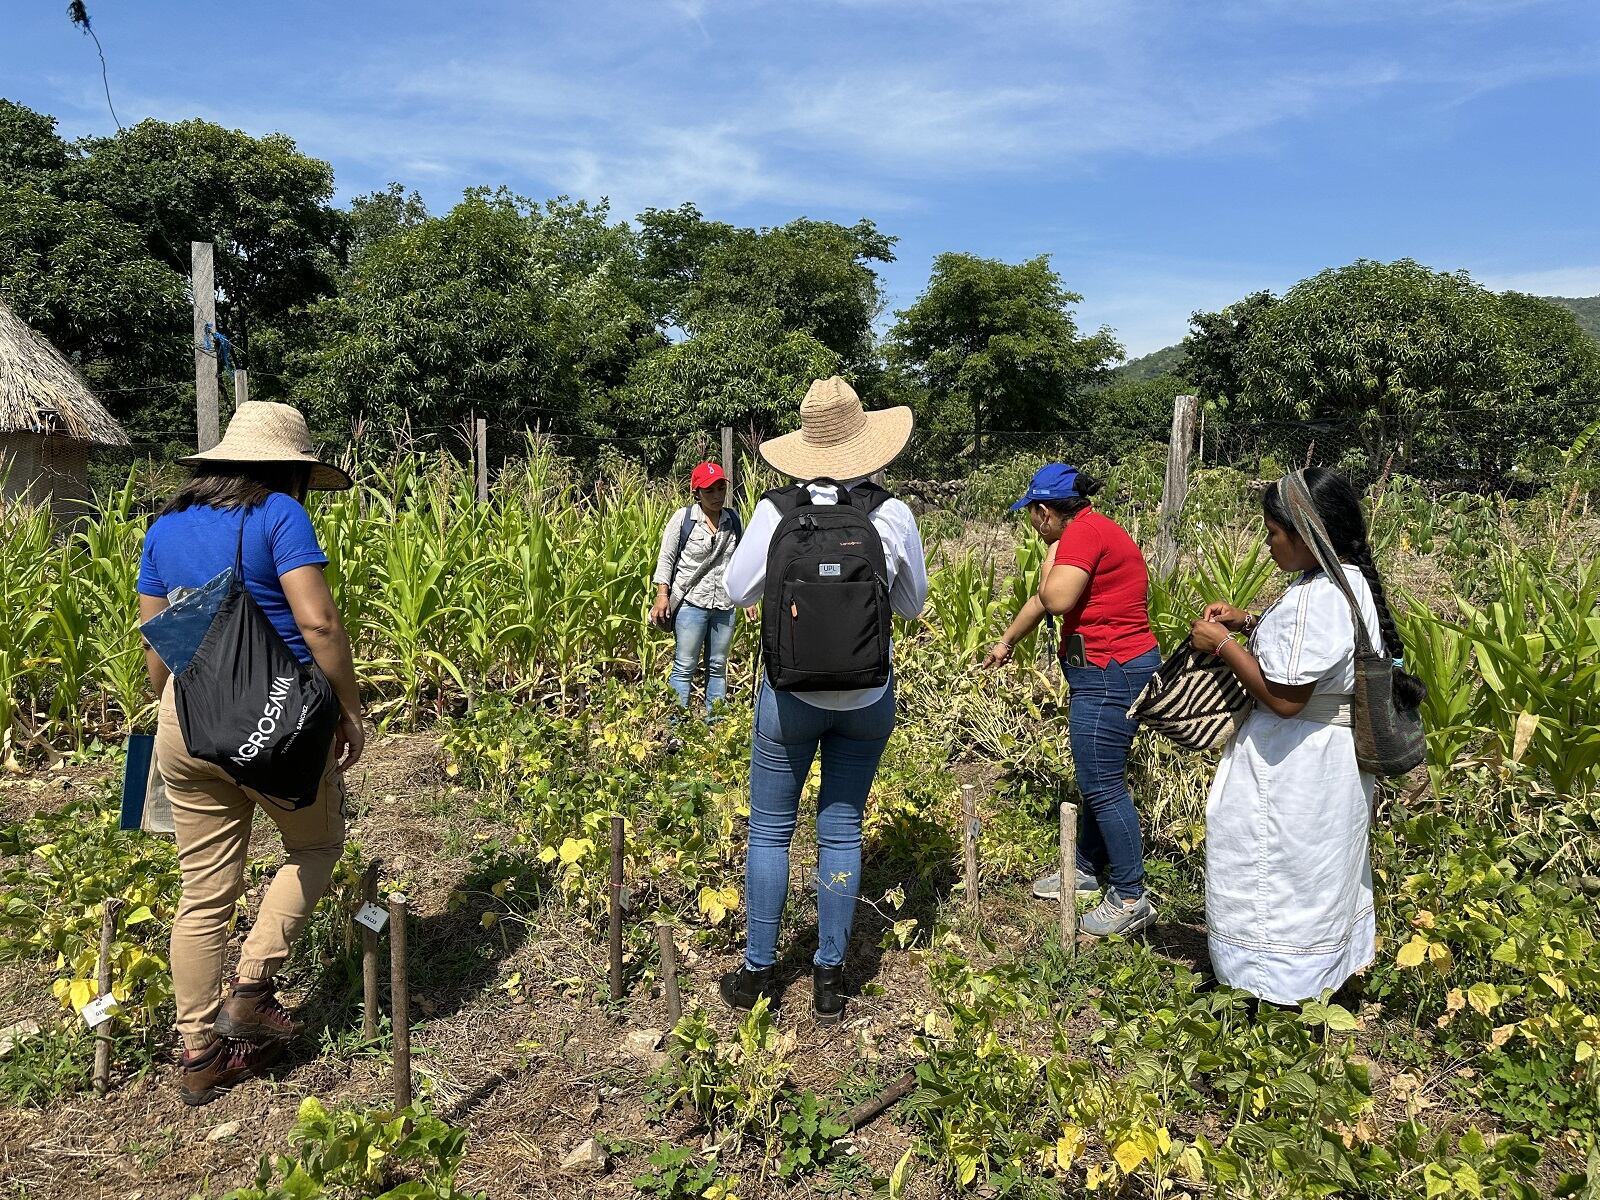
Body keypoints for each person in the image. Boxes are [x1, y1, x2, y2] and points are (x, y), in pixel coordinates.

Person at [137, 402, 364, 1106]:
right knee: (317, 845)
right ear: (287, 470)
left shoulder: (164, 528)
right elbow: (318, 622)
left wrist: (175, 707)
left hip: (188, 722)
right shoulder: (278, 516)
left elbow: (155, 646)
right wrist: (350, 708)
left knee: (202, 895)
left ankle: (200, 1053)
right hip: (280, 723)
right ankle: (253, 984)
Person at [717, 377, 928, 1023]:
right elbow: (912, 605)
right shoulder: (891, 514)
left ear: (803, 448)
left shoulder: (775, 511)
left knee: (773, 832)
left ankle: (759, 972)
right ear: (868, 443)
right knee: (841, 833)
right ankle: (830, 978)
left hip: (790, 696)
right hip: (868, 696)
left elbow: (735, 590)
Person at [1189, 467, 1422, 1005]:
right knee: (1317, 876)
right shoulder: (1347, 581)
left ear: (1307, 534)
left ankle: (1272, 990)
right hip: (1328, 760)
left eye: (1273, 533)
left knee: (1277, 874)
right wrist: (1250, 620)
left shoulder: (1317, 597)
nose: (1268, 544)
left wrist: (1222, 643)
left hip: (1293, 767)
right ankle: (1317, 980)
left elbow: (1287, 700)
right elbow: (1308, 649)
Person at [984, 463, 1161, 937]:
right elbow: (1046, 603)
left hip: (1110, 673)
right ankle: (1083, 871)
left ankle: (1129, 895)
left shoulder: (1079, 535)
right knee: (1096, 777)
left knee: (1102, 784)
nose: (1033, 524)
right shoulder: (1092, 529)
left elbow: (1055, 598)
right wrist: (1007, 642)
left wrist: (1050, 553)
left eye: (1033, 515)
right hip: (1109, 670)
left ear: (1045, 512)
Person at [649, 461, 746, 719]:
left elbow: (740, 562)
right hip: (691, 603)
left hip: (724, 606)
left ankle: (717, 727)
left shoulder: (733, 520)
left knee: (718, 666)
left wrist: (747, 599)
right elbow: (666, 558)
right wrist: (662, 595)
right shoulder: (683, 519)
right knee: (684, 666)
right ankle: (675, 728)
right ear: (696, 492)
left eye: (720, 488)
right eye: (709, 490)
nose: (716, 496)